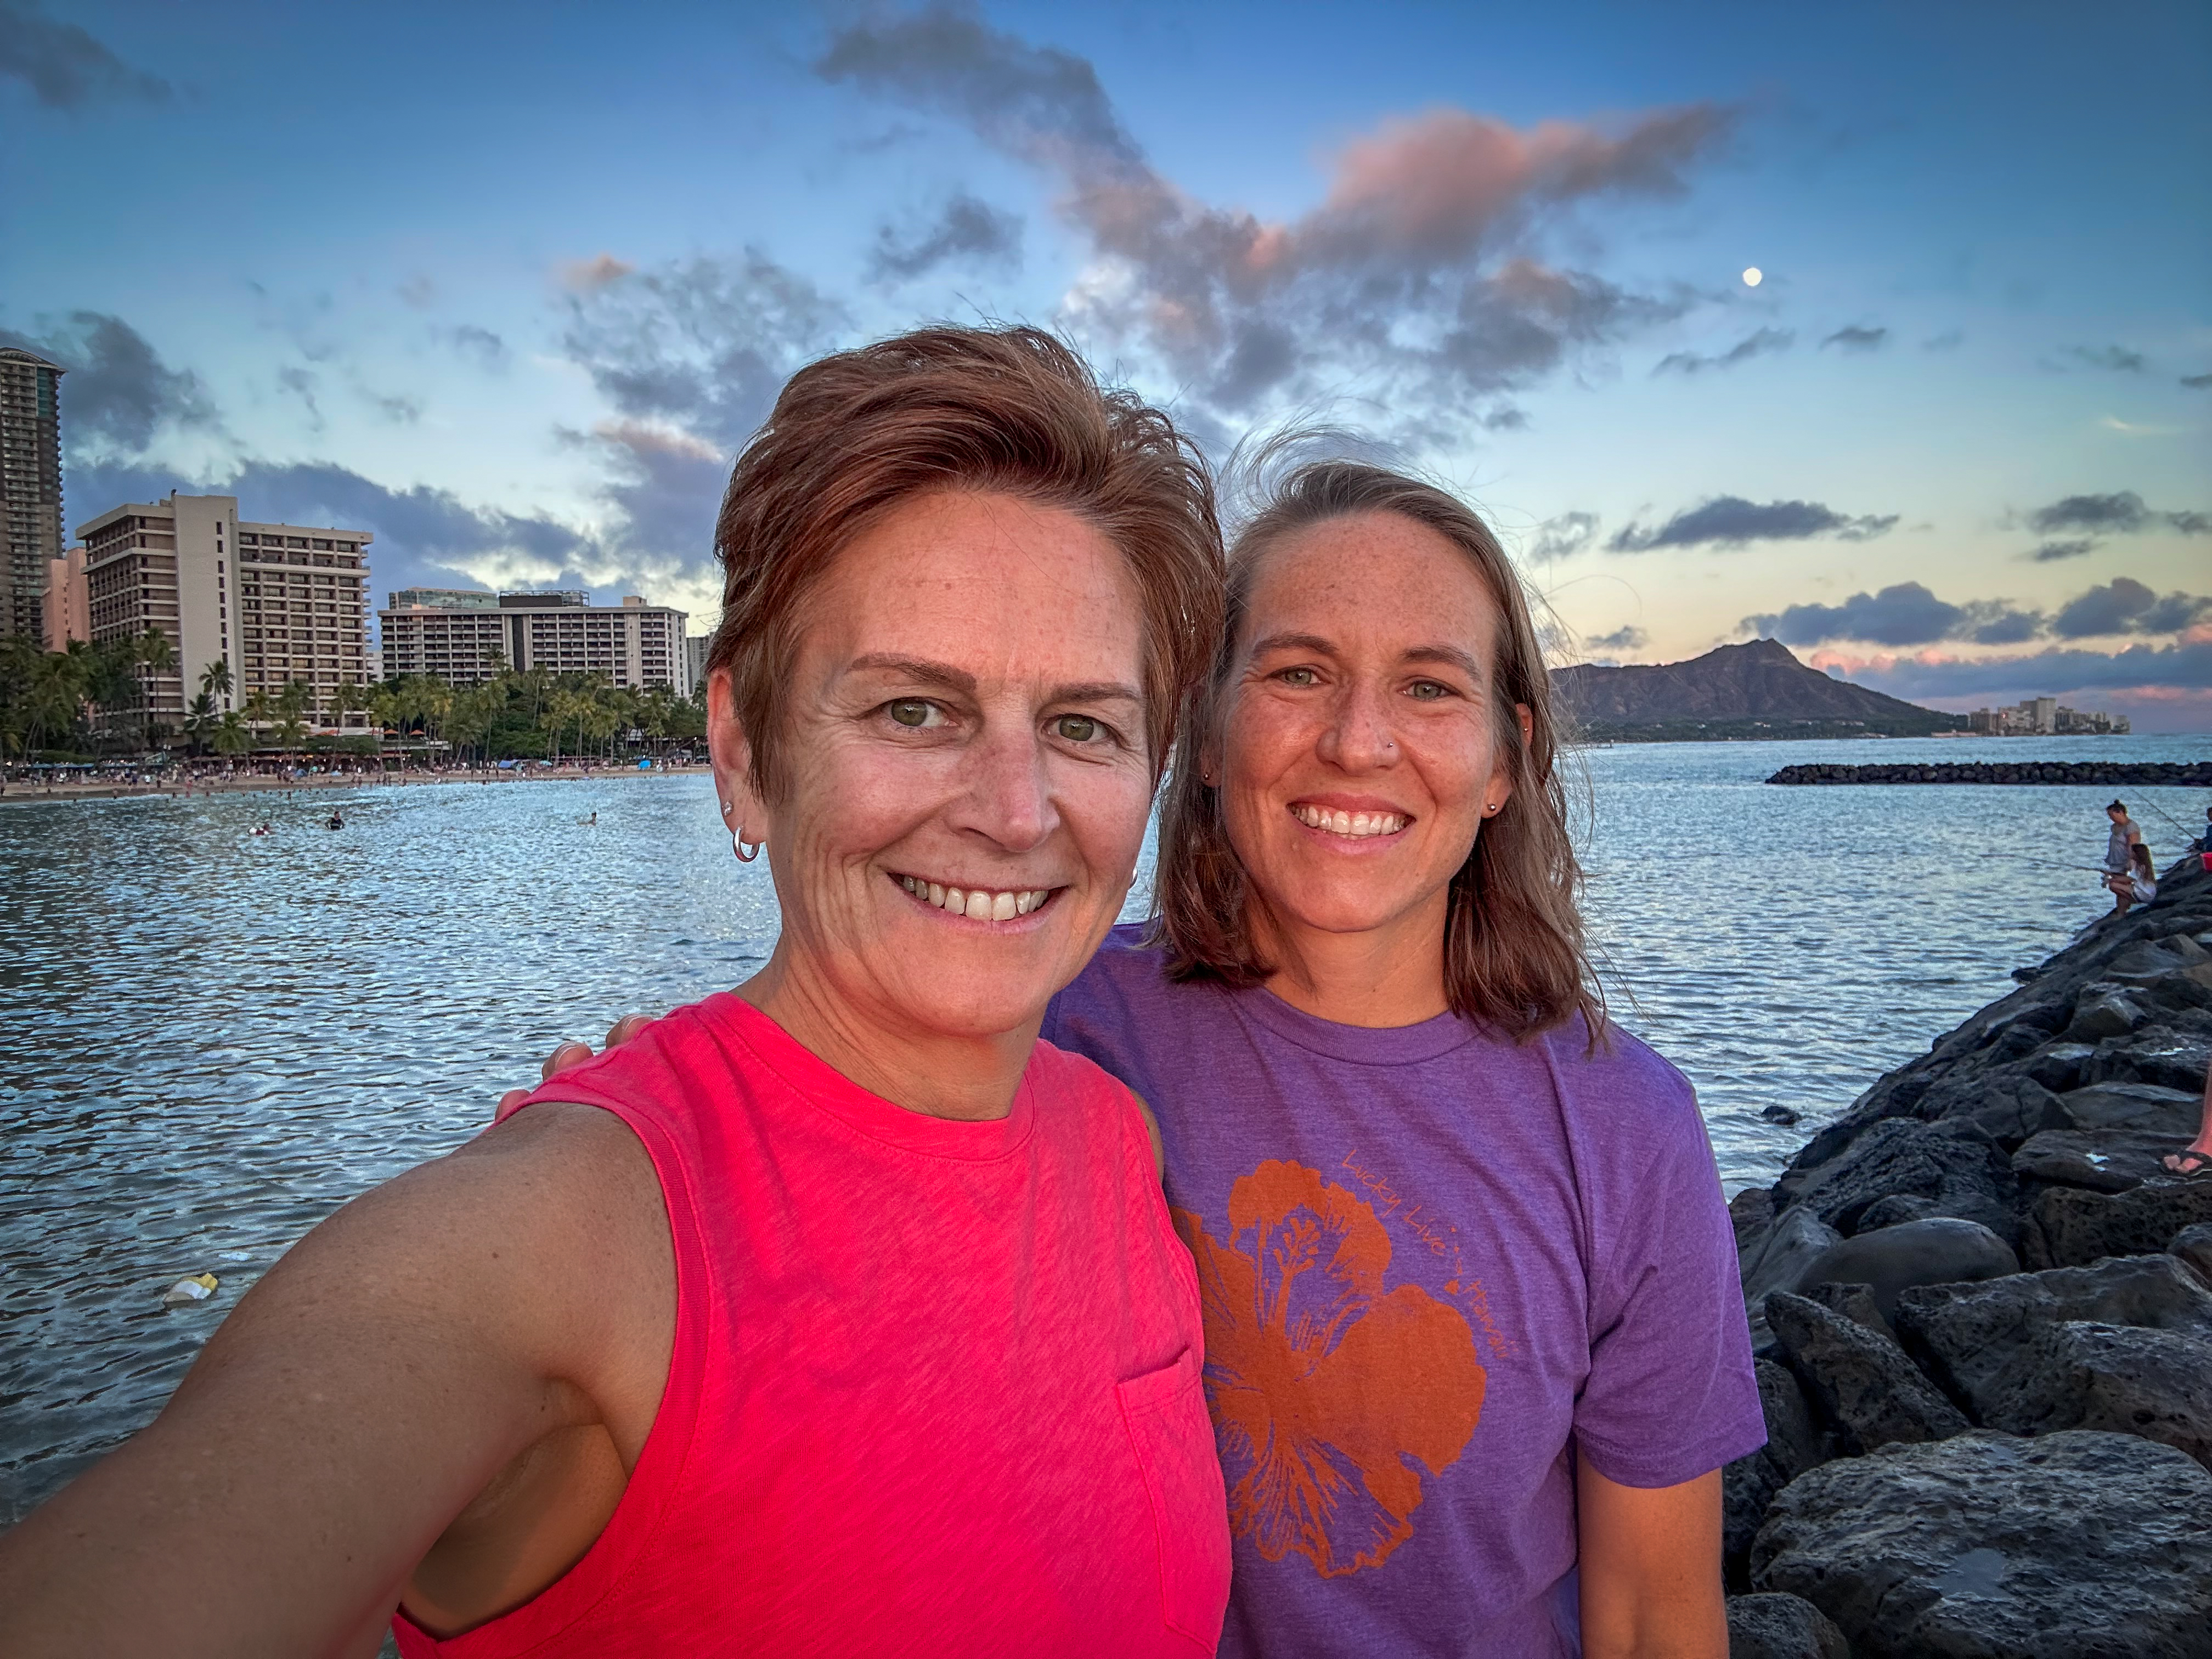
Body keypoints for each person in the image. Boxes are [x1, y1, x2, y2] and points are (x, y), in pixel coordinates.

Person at [0, 326, 1233, 1657]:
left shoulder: (1115, 1142)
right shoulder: (564, 1239)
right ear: (746, 754)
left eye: (1084, 725)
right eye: (912, 711)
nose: (1014, 810)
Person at [539, 457, 1762, 1655]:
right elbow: (811, 1122)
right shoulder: (1049, 1018)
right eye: (1298, 672)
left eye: (1431, 688)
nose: (1357, 740)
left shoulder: (1622, 1126)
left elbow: (1656, 1616)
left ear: (1504, 762)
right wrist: (642, 1131)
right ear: (1209, 735)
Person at [2104, 839, 2156, 916]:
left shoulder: (2138, 865)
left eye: (2132, 851)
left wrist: (2111, 879)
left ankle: (2132, 902)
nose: (2130, 853)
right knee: (2121, 895)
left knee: (2113, 885)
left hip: (2144, 894)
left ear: (2136, 854)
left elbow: (2129, 879)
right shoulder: (2146, 864)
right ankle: (2121, 913)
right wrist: (2112, 875)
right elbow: (2130, 878)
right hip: (2148, 893)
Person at [2102, 798, 2142, 882]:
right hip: (2115, 861)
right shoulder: (2114, 827)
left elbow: (2133, 846)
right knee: (2113, 883)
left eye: (2112, 815)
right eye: (2109, 816)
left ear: (2120, 813)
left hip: (2125, 862)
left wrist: (2130, 861)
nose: (2111, 818)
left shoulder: (2131, 827)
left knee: (2117, 884)